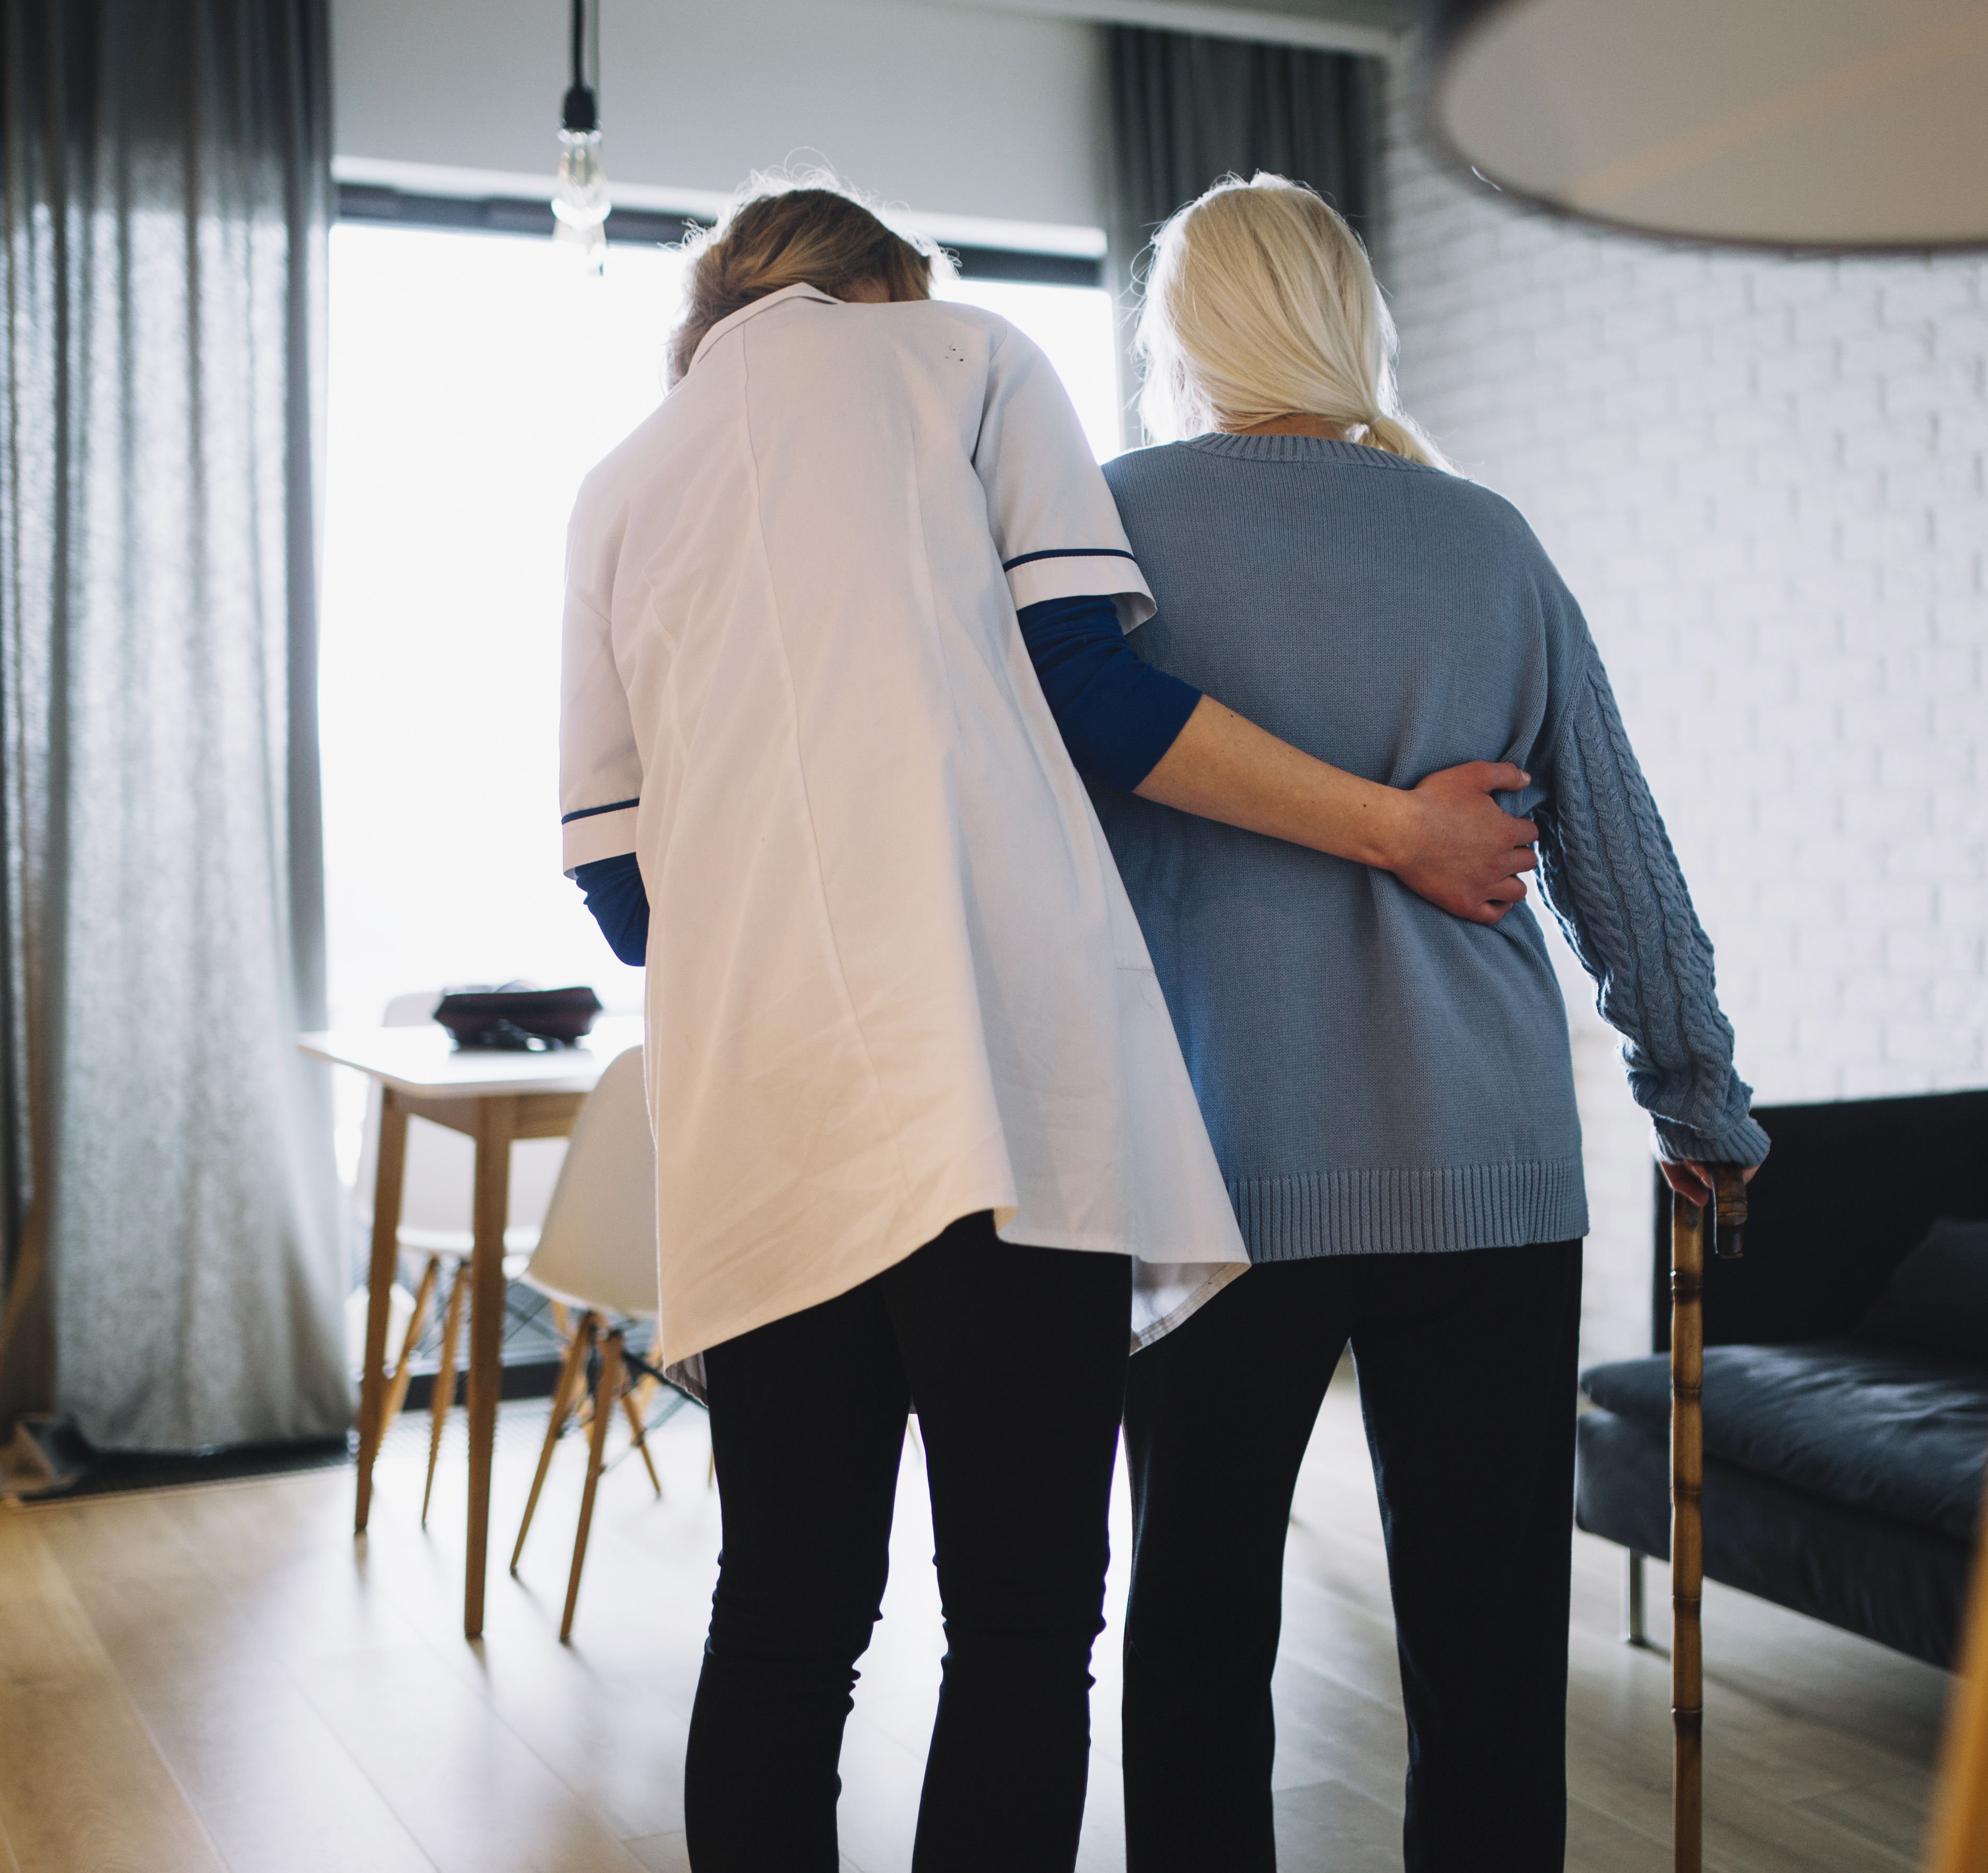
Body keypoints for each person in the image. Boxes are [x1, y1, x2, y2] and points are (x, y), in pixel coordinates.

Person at [555, 178, 1536, 1873]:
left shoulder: (619, 483)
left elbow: (617, 882)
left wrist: (774, 943)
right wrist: (1392, 827)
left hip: (762, 1130)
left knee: (785, 1618)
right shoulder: (969, 355)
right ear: (887, 280)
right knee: (1018, 1621)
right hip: (1001, 1109)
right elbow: (1090, 685)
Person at [1094, 174, 1770, 1873]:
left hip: (1217, 1177)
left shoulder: (1108, 529)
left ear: (1183, 333)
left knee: (1192, 1637)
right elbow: (1613, 850)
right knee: (1484, 1657)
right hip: (1489, 1162)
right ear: (1353, 320)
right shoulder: (1484, 535)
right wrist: (1698, 1103)